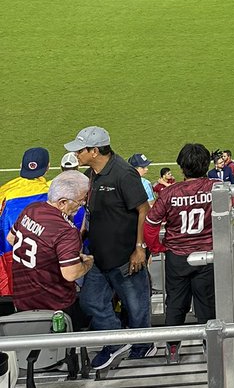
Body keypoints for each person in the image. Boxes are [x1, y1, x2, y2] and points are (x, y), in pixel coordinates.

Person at [63, 125, 152, 370]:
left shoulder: (123, 173)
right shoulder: (94, 172)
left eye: (79, 150)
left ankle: (143, 345)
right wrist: (83, 231)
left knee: (136, 306)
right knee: (90, 301)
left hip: (125, 255)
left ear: (94, 150)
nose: (75, 155)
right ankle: (115, 341)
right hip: (97, 254)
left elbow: (144, 209)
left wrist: (139, 247)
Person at [144, 143, 217, 354]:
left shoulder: (169, 194)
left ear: (181, 167)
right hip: (208, 255)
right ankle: (210, 346)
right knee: (207, 304)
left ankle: (173, 347)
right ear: (207, 164)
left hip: (177, 257)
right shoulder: (217, 187)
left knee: (175, 302)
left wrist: (157, 247)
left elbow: (150, 224)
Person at [7, 170, 93, 327]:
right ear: (62, 202)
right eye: (80, 201)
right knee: (57, 350)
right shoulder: (66, 231)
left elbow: (11, 239)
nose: (81, 205)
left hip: (22, 298)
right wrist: (88, 263)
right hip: (54, 305)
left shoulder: (31, 209)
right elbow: (70, 273)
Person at [0, 148, 52, 295]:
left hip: (9, 257)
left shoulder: (5, 191)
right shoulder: (53, 193)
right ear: (48, 166)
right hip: (42, 261)